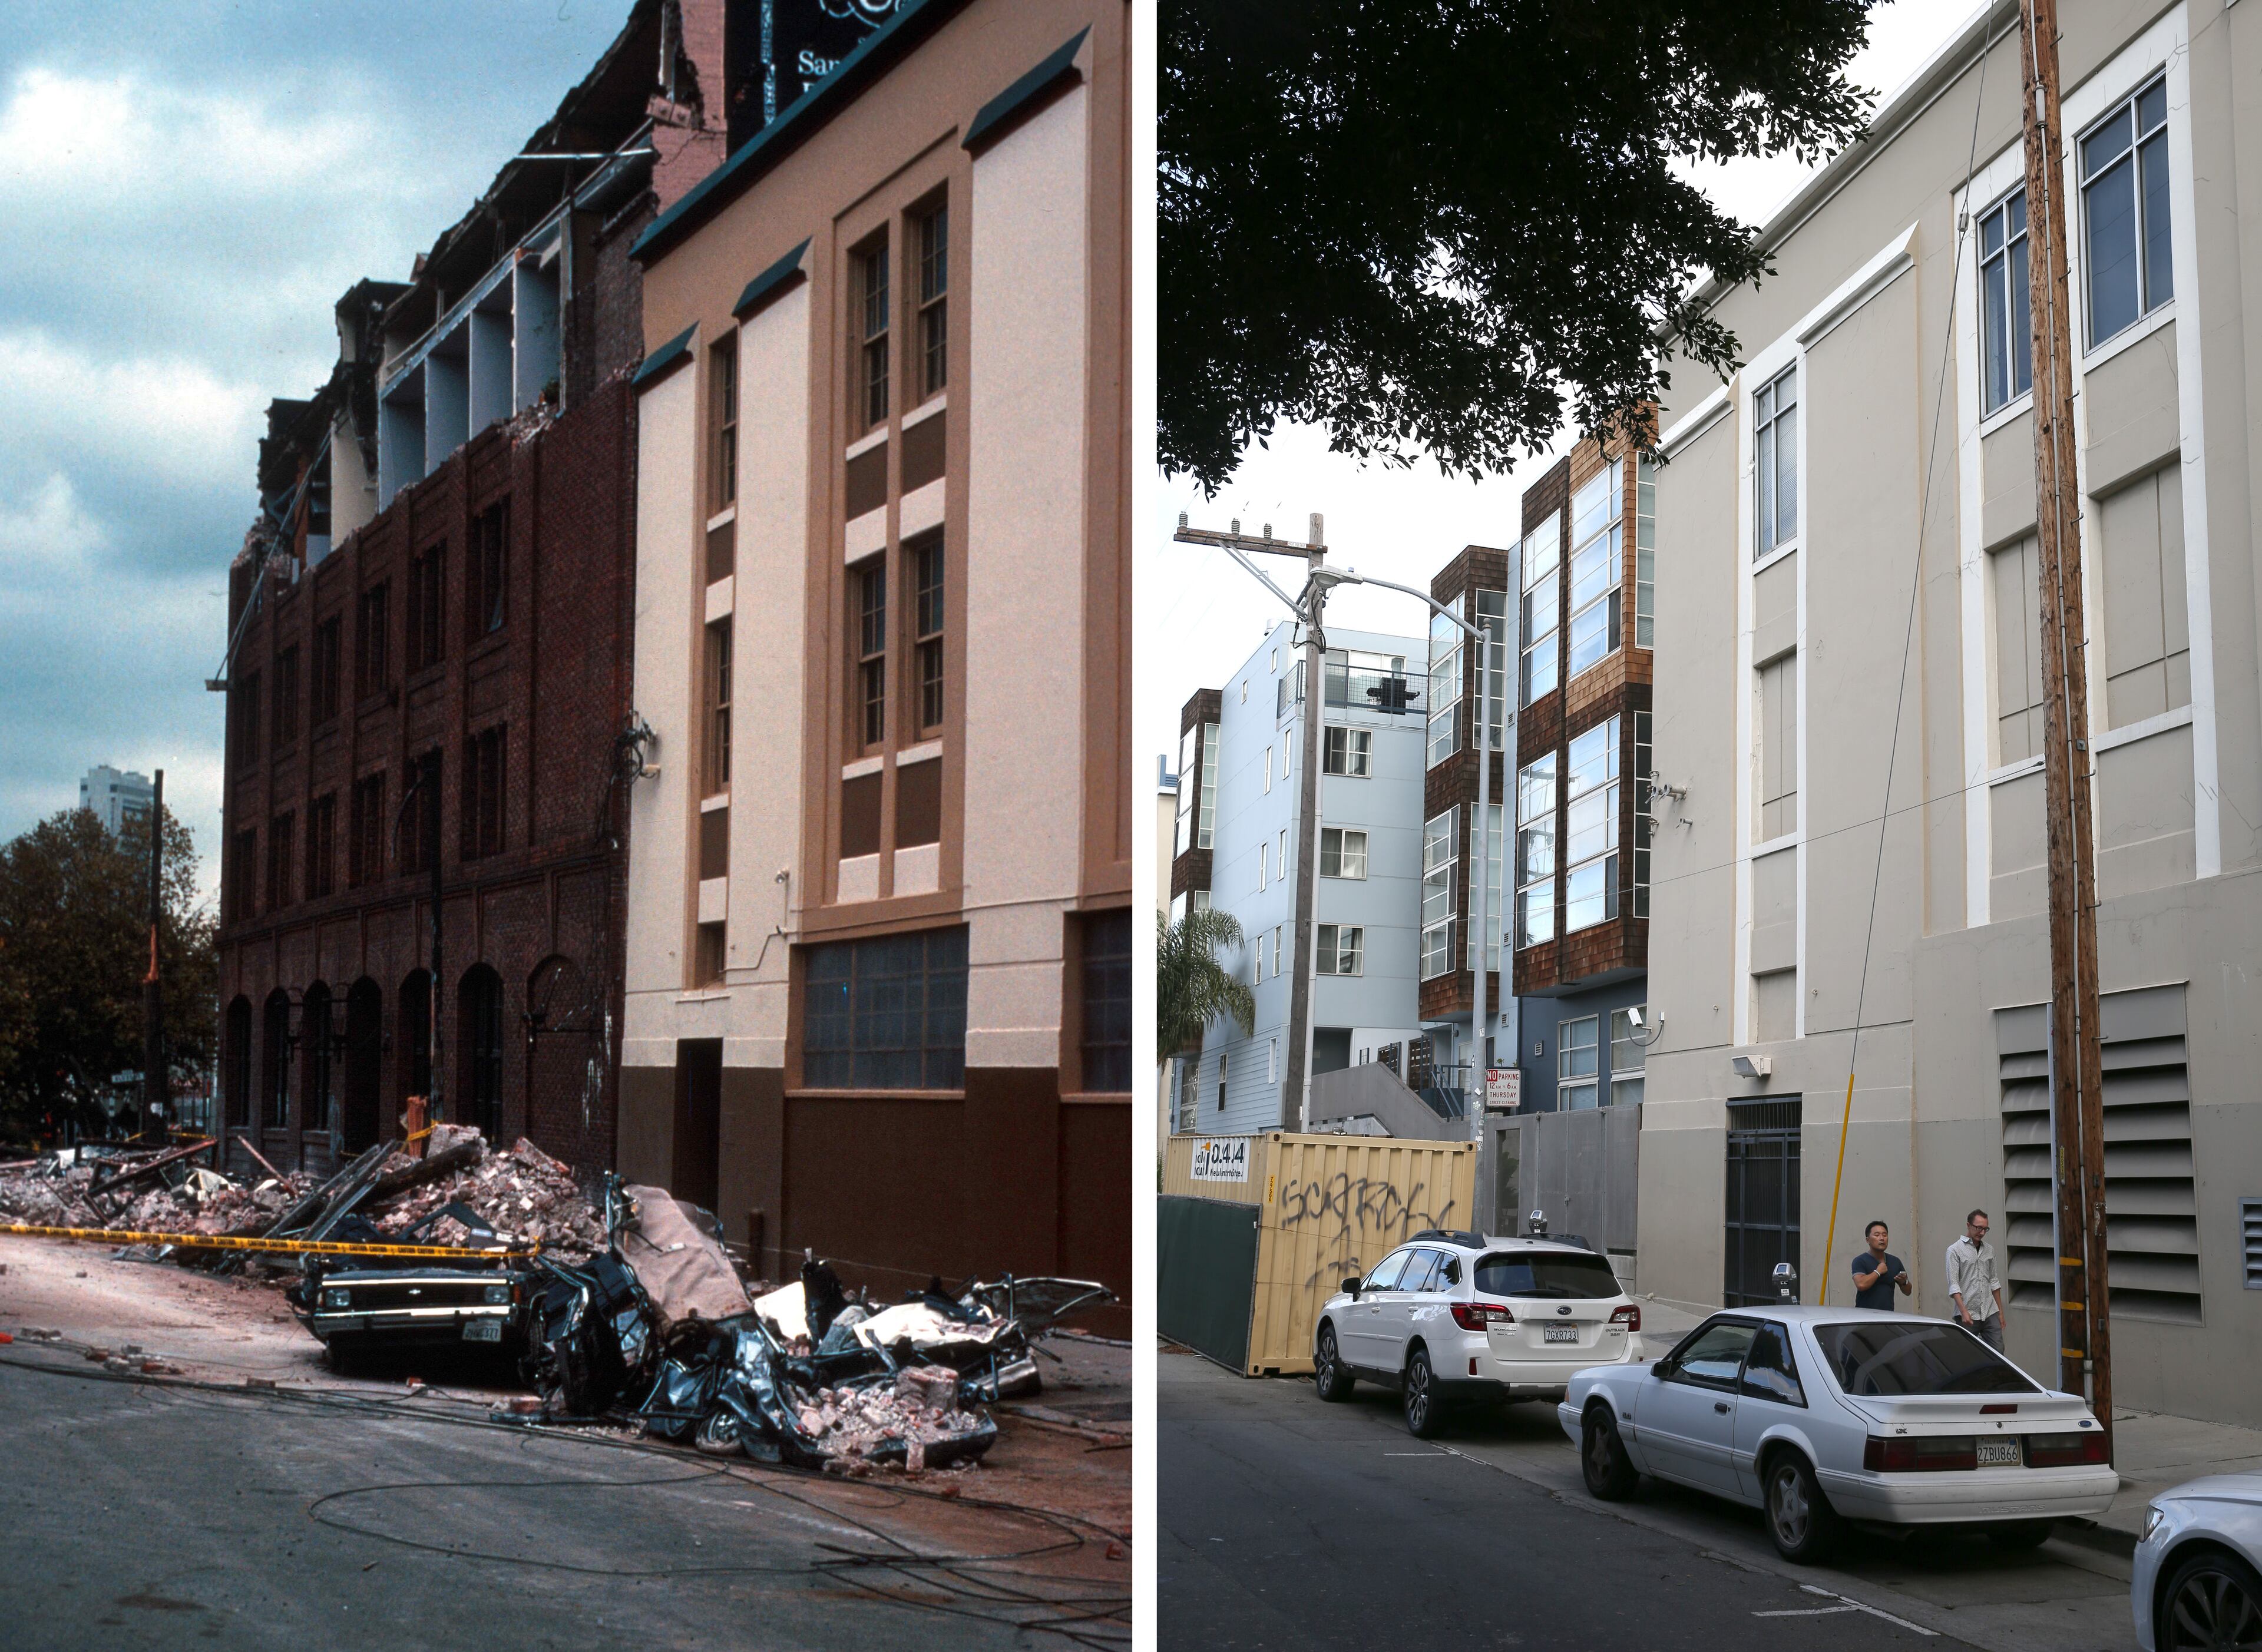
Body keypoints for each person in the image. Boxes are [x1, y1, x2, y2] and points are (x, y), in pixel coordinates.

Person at [1946, 1209, 2007, 1350]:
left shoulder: (1989, 1250)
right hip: (1968, 1312)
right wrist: (1963, 1311)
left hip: (1990, 1310)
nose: (1982, 1233)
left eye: (1986, 1229)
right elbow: (1954, 1284)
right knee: (1967, 1352)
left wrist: (2000, 1313)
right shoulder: (1954, 1250)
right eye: (1979, 1228)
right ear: (1969, 1225)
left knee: (1998, 1350)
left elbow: (1994, 1281)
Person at [1850, 1220, 1911, 1311]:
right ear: (1868, 1240)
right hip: (1865, 1316)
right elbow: (1861, 1284)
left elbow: (1908, 1292)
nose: (1882, 1238)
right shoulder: (1860, 1261)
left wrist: (1904, 1282)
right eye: (1877, 1235)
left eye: (1885, 1235)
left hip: (1888, 1316)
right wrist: (1878, 1272)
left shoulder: (1895, 1261)